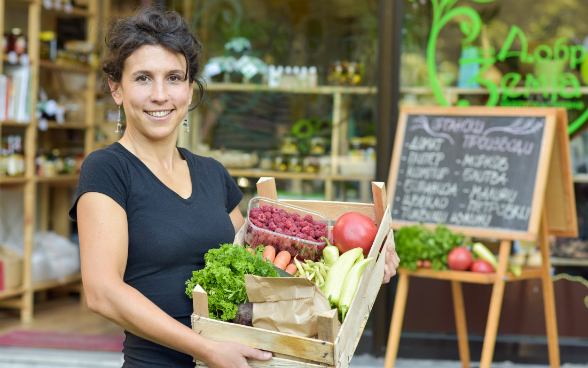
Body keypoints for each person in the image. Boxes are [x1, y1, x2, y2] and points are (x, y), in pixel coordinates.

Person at [69, 7, 400, 368]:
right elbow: (103, 292)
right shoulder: (108, 170)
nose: (161, 94)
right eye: (143, 78)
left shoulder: (213, 174)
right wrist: (206, 348)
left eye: (174, 78)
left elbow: (261, 268)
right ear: (116, 88)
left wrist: (362, 264)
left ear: (190, 88)